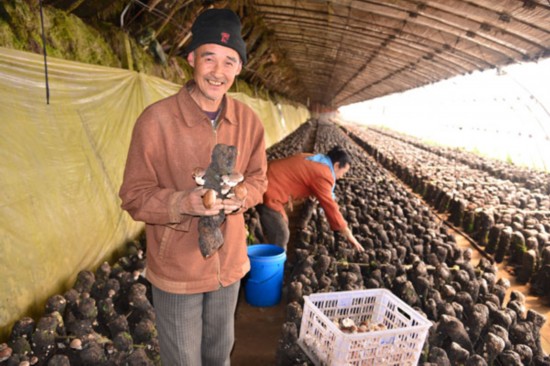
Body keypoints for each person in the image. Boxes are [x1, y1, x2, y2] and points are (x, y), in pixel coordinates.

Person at [119, 8, 268, 366]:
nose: (219, 72)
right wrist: (184, 202)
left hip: (229, 264)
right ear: (191, 59)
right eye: (209, 58)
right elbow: (134, 196)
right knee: (184, 360)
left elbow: (259, 179)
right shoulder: (156, 121)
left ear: (239, 68)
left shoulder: (247, 121)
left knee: (219, 354)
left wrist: (241, 196)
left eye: (230, 61)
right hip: (177, 270)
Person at [257, 146, 363, 252]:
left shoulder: (318, 160)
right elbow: (330, 206)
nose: (341, 177)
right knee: (282, 233)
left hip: (268, 175)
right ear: (336, 166)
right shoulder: (324, 174)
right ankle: (274, 264)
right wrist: (348, 233)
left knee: (281, 225)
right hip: (270, 187)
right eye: (343, 173)